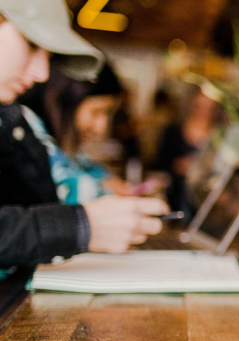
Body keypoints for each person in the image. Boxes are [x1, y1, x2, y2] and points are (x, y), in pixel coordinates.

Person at [0, 0, 168, 269]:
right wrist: (79, 225)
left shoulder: (11, 119)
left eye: (48, 56)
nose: (42, 73)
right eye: (32, 44)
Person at [20, 64, 141, 204]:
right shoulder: (25, 127)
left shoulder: (59, 143)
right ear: (66, 101)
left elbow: (83, 164)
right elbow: (67, 189)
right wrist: (107, 190)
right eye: (96, 112)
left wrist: (106, 179)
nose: (101, 127)